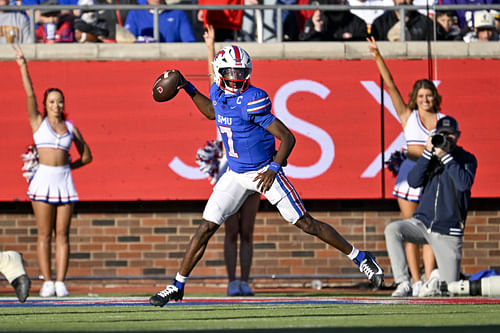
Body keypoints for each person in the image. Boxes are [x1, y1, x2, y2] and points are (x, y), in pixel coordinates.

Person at [149, 44, 384, 307]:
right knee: (206, 227)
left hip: (263, 170)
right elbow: (211, 112)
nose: (237, 78)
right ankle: (177, 285)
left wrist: (274, 168)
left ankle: (361, 257)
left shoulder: (253, 98)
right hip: (236, 174)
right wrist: (188, 88)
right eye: (231, 72)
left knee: (306, 223)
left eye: (241, 73)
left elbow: (287, 137)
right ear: (220, 71)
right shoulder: (217, 90)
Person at [13, 45, 93, 297]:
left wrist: (70, 166)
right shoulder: (38, 123)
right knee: (44, 234)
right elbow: (29, 96)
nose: (56, 105)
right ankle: (46, 280)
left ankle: (60, 281)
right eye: (51, 101)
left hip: (64, 181)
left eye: (59, 101)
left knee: (63, 234)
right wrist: (23, 66)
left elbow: (88, 156)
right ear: (45, 105)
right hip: (43, 179)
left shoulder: (71, 128)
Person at [367, 36, 444, 297]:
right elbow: (390, 86)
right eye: (421, 95)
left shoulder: (445, 120)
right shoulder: (407, 117)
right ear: (415, 98)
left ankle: (430, 279)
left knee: (433, 230)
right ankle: (414, 280)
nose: (425, 99)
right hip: (410, 178)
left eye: (429, 95)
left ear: (435, 97)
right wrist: (378, 56)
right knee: (409, 228)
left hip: (435, 179)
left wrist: (422, 152)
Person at [384, 116, 477, 296]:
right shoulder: (430, 157)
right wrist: (428, 153)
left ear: (458, 135)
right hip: (423, 222)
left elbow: (464, 184)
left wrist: (447, 157)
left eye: (450, 135)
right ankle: (403, 282)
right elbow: (412, 181)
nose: (446, 139)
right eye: (443, 135)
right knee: (393, 230)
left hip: (448, 230)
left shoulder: (467, 159)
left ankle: (435, 277)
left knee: (450, 289)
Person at [200, 25, 260, 296]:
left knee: (247, 229)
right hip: (229, 168)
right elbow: (212, 75)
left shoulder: (250, 102)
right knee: (230, 229)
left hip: (251, 167)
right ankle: (231, 280)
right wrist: (210, 47)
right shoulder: (220, 99)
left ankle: (245, 279)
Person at [124, 0, 196, 42]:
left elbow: (189, 41)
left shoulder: (178, 13)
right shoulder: (135, 13)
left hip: (170, 60)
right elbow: (128, 41)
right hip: (143, 60)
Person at [299, 0, 368, 41]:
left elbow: (363, 49)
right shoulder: (315, 21)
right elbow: (306, 50)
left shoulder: (357, 23)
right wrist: (317, 30)